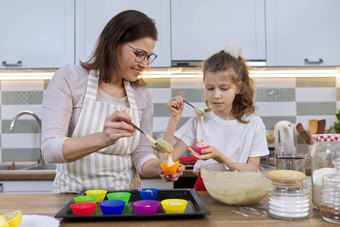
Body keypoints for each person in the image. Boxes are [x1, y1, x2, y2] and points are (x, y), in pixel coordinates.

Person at [41, 10, 184, 194]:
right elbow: (49, 150)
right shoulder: (69, 79)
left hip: (124, 201)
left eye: (148, 57)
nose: (144, 64)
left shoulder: (141, 95)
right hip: (74, 201)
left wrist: (161, 168)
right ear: (114, 43)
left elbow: (141, 156)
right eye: (139, 54)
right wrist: (102, 138)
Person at [162, 43, 269, 191]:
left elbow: (251, 172)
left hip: (239, 189)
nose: (216, 95)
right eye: (210, 88)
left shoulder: (253, 123)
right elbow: (166, 159)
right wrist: (173, 119)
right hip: (204, 189)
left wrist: (219, 157)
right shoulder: (198, 121)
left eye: (224, 88)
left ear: (238, 88)